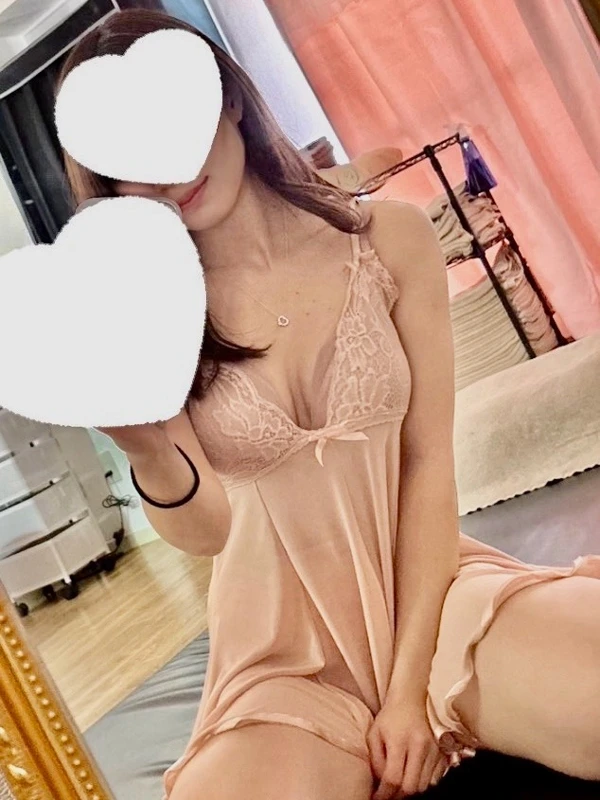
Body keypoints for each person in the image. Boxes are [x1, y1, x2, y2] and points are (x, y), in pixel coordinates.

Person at [57, 9, 600, 800]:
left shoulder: (393, 240)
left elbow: (427, 466)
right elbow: (207, 533)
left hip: (436, 596)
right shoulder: (155, 323)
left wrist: (408, 692)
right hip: (281, 661)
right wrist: (144, 449)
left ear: (228, 99)